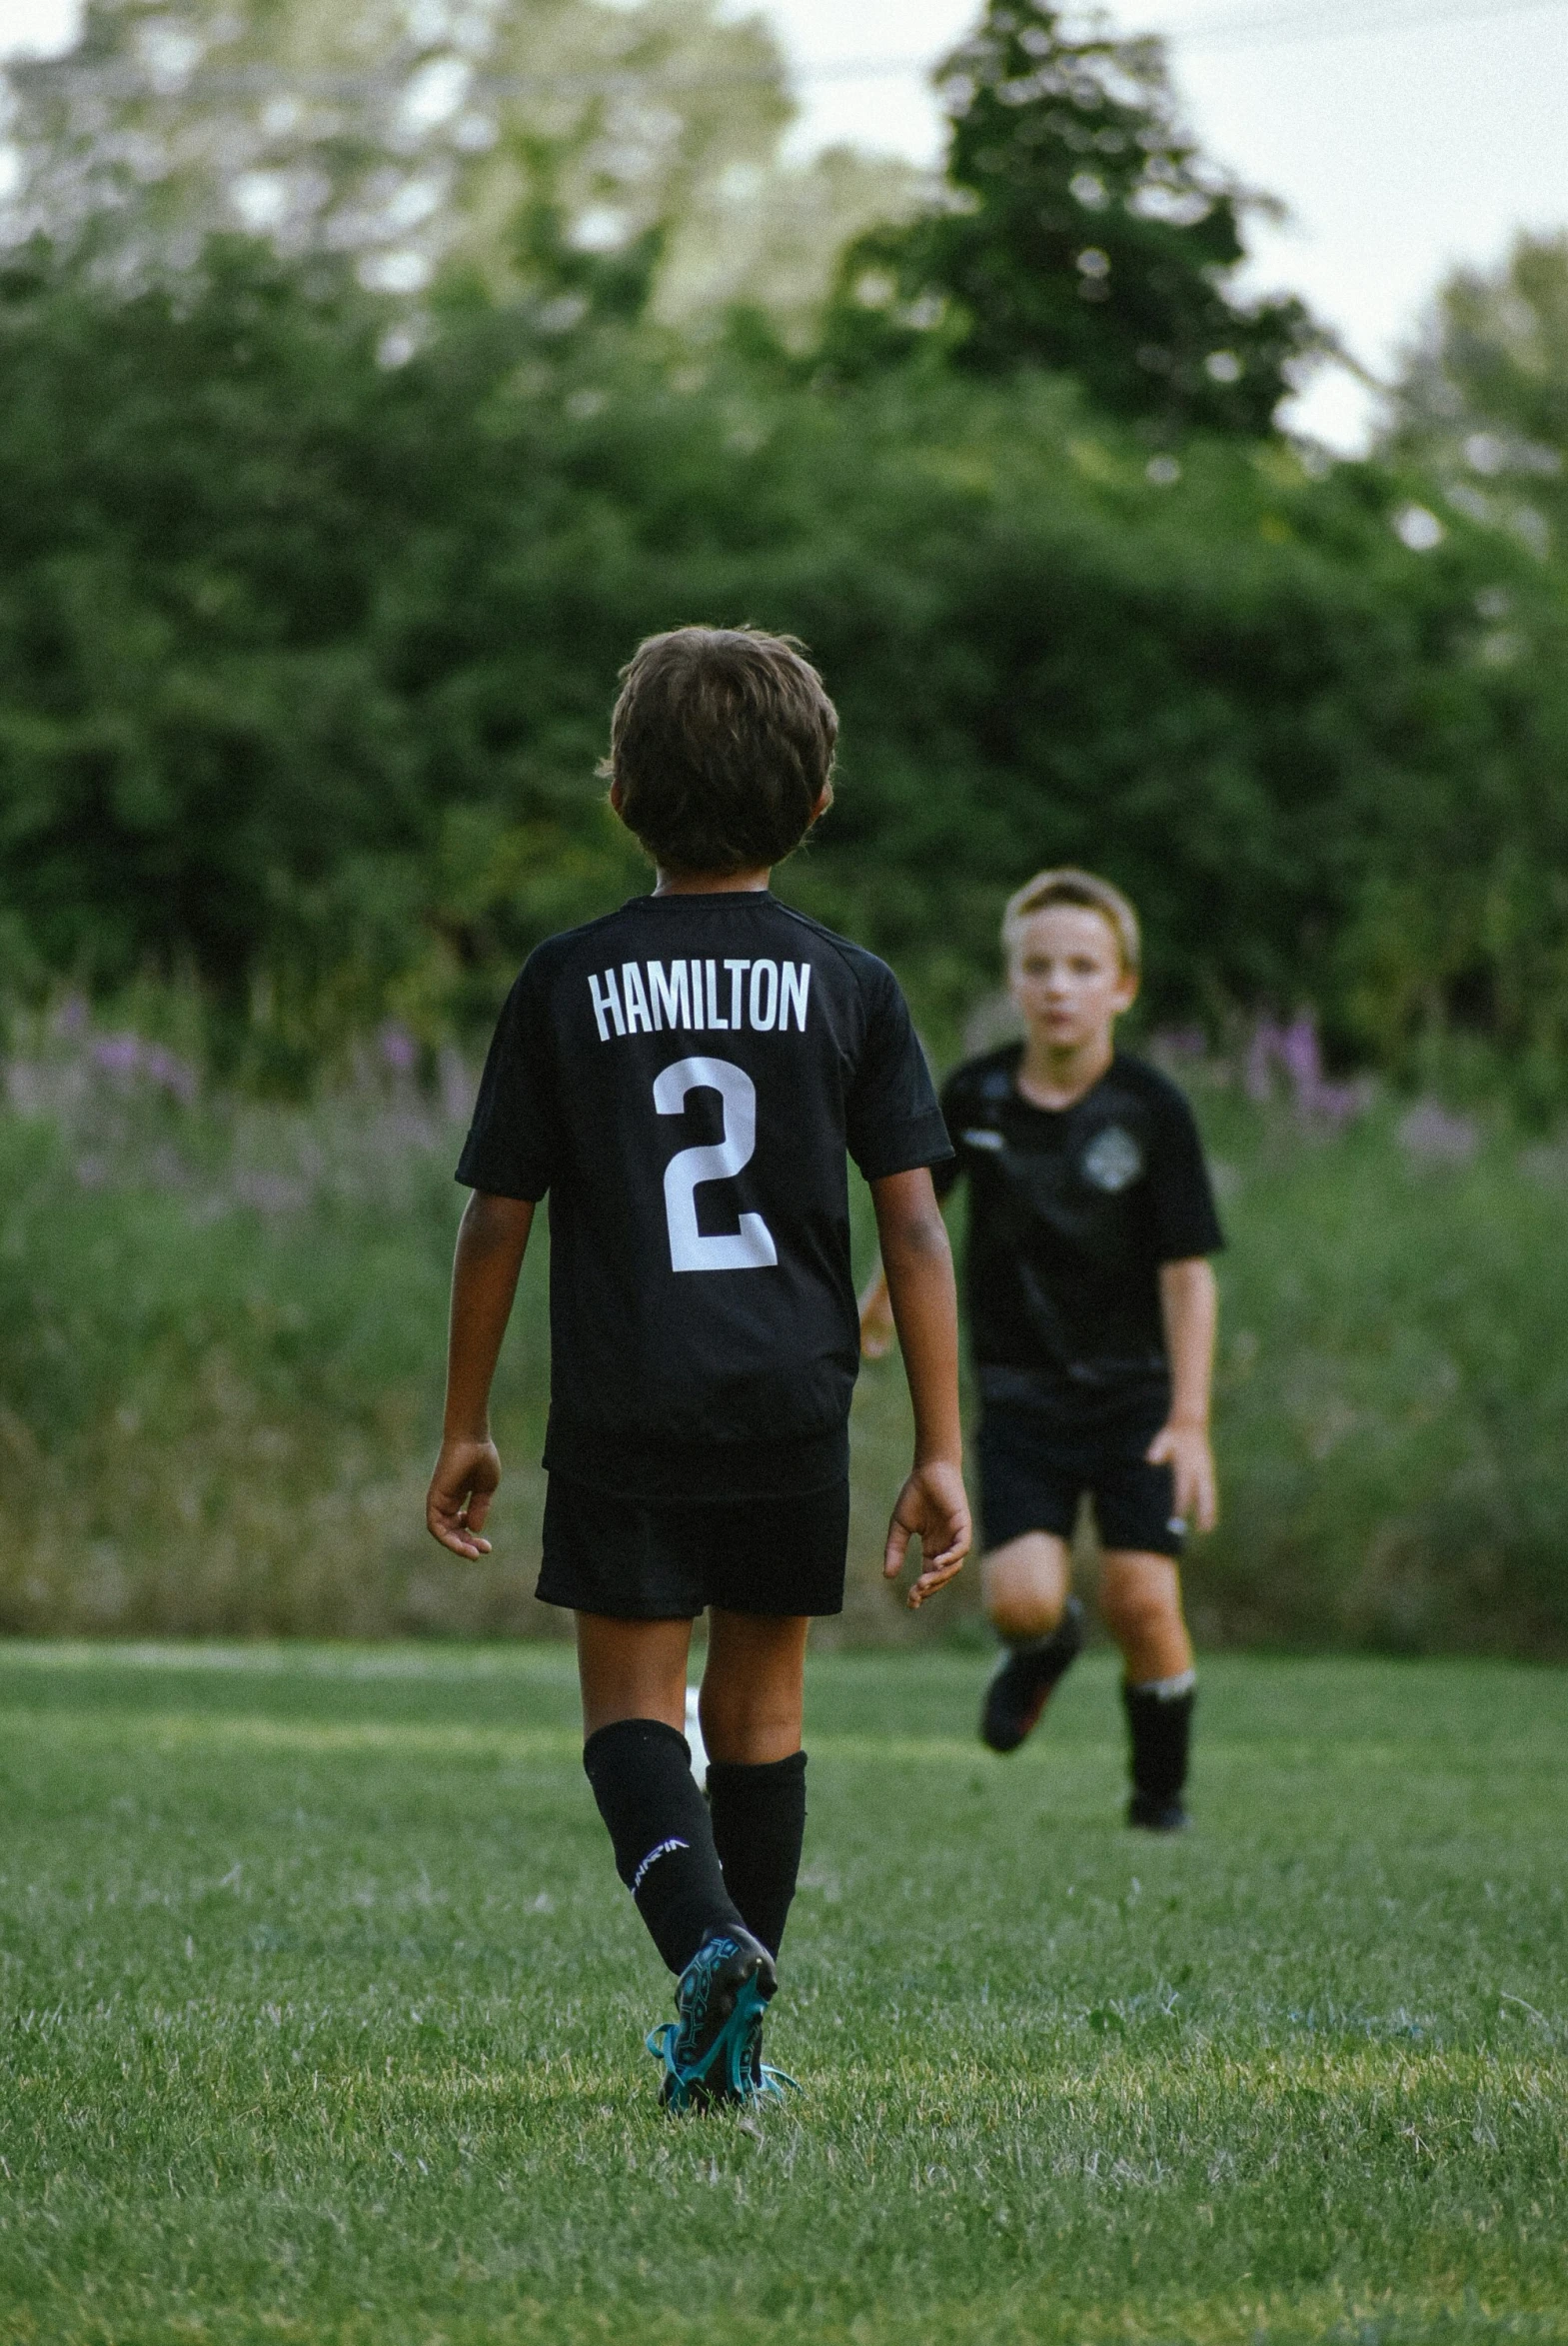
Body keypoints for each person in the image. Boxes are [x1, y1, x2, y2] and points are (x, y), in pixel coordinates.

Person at [427, 626, 970, 2111]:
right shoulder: (850, 985)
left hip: (626, 1397)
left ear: (621, 793)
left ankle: (707, 1946)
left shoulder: (564, 978)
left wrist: (467, 1420)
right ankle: (734, 2035)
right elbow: (913, 1228)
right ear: (815, 804)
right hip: (793, 1392)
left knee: (629, 1711)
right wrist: (940, 1446)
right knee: (763, 1713)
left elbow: (496, 1217)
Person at [859, 869, 1222, 1831]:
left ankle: (1158, 1800)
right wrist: (876, 1309)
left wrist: (1190, 1419)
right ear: (1013, 982)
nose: (1059, 984)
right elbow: (917, 1218)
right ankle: (1043, 1649)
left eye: (1081, 966)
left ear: (1122, 987)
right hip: (1019, 1395)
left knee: (1142, 1598)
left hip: (1136, 1397)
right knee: (1021, 1602)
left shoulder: (1153, 1111)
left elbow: (1189, 1278)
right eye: (1039, 966)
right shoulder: (974, 1095)